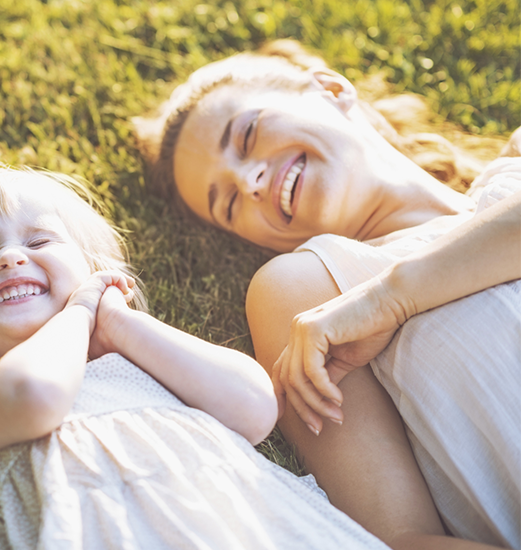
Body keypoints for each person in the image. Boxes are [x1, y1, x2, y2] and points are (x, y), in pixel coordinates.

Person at [135, 40, 520, 549]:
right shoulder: (310, 292)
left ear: (332, 89)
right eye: (228, 203)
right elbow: (401, 537)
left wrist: (393, 298)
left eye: (247, 134)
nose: (249, 180)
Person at [0, 168, 391, 549]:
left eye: (37, 242)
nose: (10, 259)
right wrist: (77, 313)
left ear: (96, 276)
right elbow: (35, 395)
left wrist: (118, 323)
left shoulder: (148, 360)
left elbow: (256, 406)